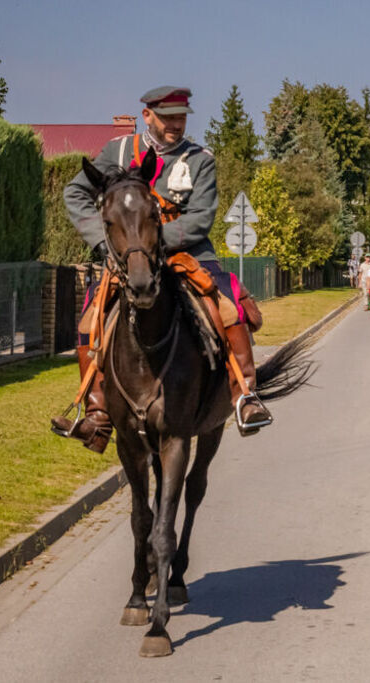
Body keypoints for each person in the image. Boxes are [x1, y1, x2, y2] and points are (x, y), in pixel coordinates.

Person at [52, 86, 272, 450]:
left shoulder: (200, 159)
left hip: (186, 252)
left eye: (181, 118)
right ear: (147, 116)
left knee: (231, 305)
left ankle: (244, 396)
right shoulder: (118, 151)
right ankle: (95, 414)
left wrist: (154, 241)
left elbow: (201, 216)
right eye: (168, 118)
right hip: (128, 257)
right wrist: (109, 241)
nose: (176, 125)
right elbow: (75, 193)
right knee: (90, 318)